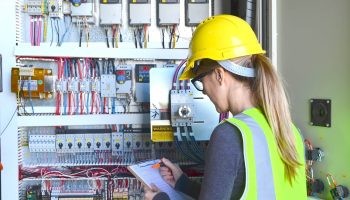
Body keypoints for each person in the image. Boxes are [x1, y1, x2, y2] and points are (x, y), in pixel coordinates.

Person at [145, 15, 307, 200]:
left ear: (219, 75)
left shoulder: (228, 135)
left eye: (200, 80)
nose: (204, 90)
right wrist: (183, 183)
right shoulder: (291, 131)